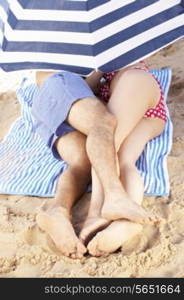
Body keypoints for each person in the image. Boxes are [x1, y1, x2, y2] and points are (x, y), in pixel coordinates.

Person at [32, 62, 165, 258]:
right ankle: (126, 223)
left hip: (136, 84)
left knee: (108, 145)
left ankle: (98, 212)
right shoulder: (108, 61)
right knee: (123, 158)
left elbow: (90, 88)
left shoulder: (118, 61)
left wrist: (97, 71)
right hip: (151, 112)